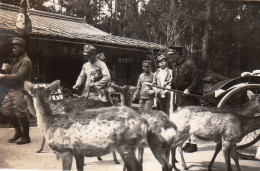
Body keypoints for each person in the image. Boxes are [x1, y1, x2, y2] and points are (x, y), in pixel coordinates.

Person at [169, 48, 202, 153]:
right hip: (180, 96)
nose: (170, 58)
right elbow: (175, 79)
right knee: (183, 121)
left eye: (172, 55)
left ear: (178, 54)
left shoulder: (189, 64)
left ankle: (194, 143)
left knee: (191, 120)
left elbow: (196, 80)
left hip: (190, 96)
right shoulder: (175, 65)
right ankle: (188, 142)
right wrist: (171, 86)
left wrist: (189, 89)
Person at [0, 37, 32, 144]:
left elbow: (19, 76)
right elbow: (12, 73)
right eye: (12, 47)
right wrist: (6, 70)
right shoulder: (16, 60)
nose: (13, 49)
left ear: (22, 48)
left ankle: (26, 136)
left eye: (16, 47)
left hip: (20, 89)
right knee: (6, 110)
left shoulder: (26, 61)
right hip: (12, 89)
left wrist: (3, 76)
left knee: (21, 113)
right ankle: (18, 131)